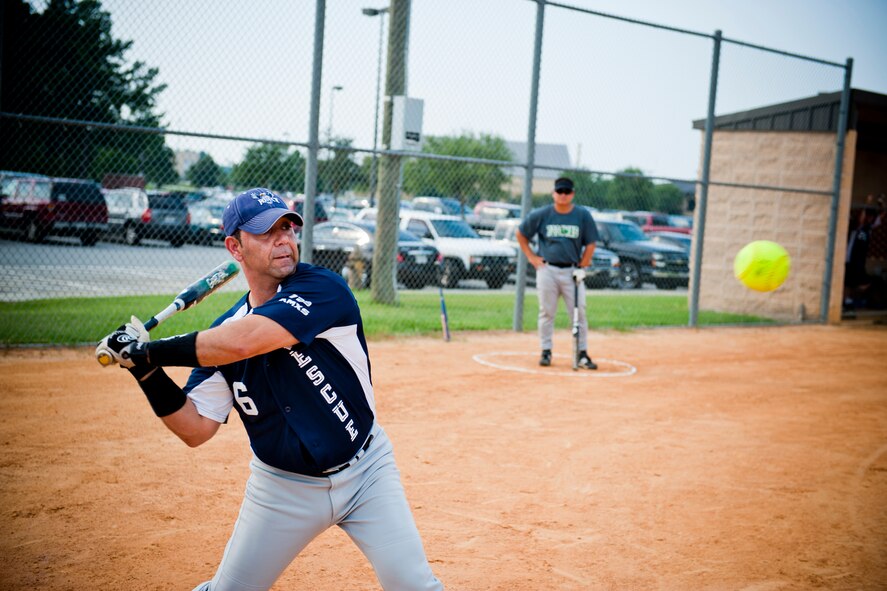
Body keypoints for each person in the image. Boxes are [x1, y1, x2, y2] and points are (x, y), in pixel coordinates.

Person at [96, 188, 444, 591]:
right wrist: (143, 370)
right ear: (235, 247)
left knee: (415, 585)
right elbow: (194, 428)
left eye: (287, 228)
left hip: (367, 471)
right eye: (266, 232)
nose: (283, 239)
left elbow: (245, 340)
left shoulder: (322, 289)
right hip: (282, 488)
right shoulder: (223, 334)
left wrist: (148, 350)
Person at [516, 177, 599, 369]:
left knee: (579, 313)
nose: (563, 196)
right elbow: (521, 234)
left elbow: (591, 243)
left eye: (567, 192)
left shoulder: (581, 215)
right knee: (546, 312)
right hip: (548, 270)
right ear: (554, 193)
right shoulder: (543, 214)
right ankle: (546, 351)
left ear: (572, 194)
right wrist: (532, 257)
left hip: (572, 271)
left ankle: (582, 353)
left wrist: (582, 266)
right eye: (559, 192)